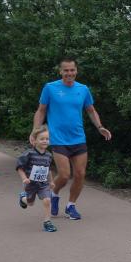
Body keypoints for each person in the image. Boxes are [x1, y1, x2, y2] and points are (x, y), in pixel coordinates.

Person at [32, 57, 112, 220]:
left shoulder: (83, 89)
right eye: (66, 70)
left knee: (80, 174)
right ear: (60, 71)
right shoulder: (50, 88)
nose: (69, 73)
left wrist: (100, 127)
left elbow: (91, 110)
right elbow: (41, 110)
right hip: (58, 138)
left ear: (76, 71)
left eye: (72, 70)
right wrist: (35, 131)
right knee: (64, 175)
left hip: (78, 138)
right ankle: (54, 194)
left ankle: (71, 206)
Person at [17, 125, 58, 232]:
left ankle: (47, 222)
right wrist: (24, 178)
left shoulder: (48, 155)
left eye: (47, 139)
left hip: (43, 184)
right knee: (30, 203)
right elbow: (19, 167)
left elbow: (48, 169)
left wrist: (51, 181)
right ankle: (22, 198)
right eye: (42, 139)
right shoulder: (29, 154)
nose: (45, 141)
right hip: (30, 184)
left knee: (47, 200)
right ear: (34, 141)